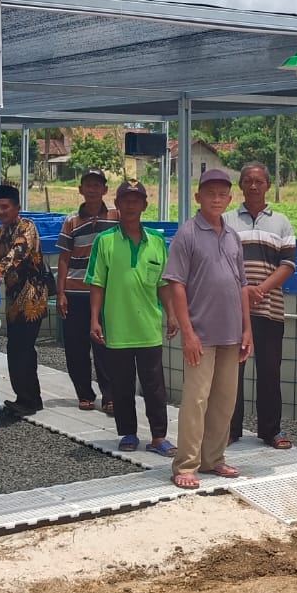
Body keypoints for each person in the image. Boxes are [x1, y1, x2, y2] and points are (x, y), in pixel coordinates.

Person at [162, 168, 251, 489]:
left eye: (222, 193)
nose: (216, 198)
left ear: (229, 198)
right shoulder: (187, 234)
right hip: (200, 333)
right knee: (196, 400)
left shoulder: (232, 236)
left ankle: (214, 458)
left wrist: (247, 329)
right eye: (210, 192)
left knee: (224, 400)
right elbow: (176, 284)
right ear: (197, 197)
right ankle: (185, 464)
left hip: (231, 332)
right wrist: (187, 332)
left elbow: (242, 285)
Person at [86, 179, 176, 456]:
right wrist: (94, 319)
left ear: (144, 205)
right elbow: (96, 282)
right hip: (118, 326)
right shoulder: (105, 241)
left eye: (136, 200)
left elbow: (164, 283)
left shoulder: (157, 241)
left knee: (154, 386)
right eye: (125, 200)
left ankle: (159, 436)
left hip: (148, 326)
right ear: (117, 204)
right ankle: (128, 433)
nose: (130, 205)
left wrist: (172, 314)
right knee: (122, 385)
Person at [228, 162, 297, 448]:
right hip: (233, 310)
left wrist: (260, 289)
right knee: (232, 373)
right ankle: (230, 430)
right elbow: (223, 262)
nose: (253, 186)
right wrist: (244, 292)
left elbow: (288, 264)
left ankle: (270, 430)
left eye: (259, 181)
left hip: (270, 309)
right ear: (240, 185)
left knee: (270, 371)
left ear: (268, 185)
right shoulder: (228, 221)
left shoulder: (281, 222)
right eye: (248, 181)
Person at [0, 183, 48, 419]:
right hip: (13, 301)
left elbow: (15, 255)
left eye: (5, 207)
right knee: (15, 348)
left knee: (23, 349)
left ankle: (31, 400)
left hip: (32, 300)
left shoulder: (27, 227)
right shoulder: (0, 232)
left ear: (17, 207)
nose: (0, 212)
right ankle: (26, 398)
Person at [55, 168, 117, 414]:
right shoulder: (71, 220)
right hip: (76, 291)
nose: (92, 189)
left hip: (105, 292)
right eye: (88, 185)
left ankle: (110, 395)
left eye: (97, 185)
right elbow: (63, 258)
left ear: (105, 189)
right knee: (76, 347)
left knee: (105, 346)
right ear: (80, 189)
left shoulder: (116, 216)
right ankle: (84, 394)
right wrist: (60, 293)